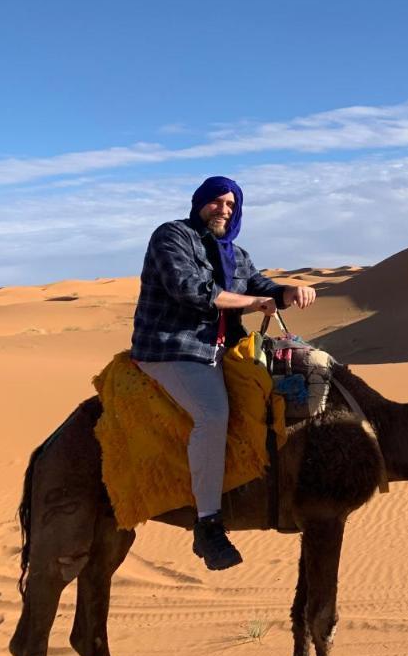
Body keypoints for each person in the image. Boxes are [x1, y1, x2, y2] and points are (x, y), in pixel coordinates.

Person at [131, 176, 317, 570]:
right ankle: (208, 524)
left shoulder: (236, 254)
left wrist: (290, 291)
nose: (224, 210)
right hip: (173, 346)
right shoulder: (173, 237)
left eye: (231, 204)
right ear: (200, 203)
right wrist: (257, 300)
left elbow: (264, 286)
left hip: (223, 349)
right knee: (213, 415)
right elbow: (193, 291)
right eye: (216, 202)